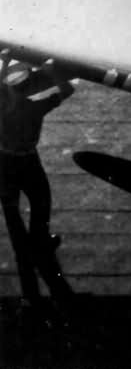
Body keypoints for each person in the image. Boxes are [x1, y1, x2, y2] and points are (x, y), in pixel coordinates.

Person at [1, 53, 76, 308]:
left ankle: (25, 255)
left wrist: (5, 62)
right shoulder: (35, 107)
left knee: (12, 212)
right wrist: (52, 71)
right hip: (28, 160)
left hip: (5, 161)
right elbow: (67, 90)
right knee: (41, 201)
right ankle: (40, 241)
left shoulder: (2, 105)